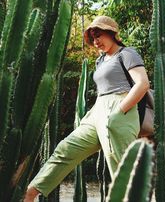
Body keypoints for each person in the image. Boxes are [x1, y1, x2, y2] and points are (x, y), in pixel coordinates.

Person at [24, 15, 150, 201]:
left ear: (112, 33)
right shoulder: (101, 60)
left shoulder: (126, 53)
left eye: (99, 35)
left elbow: (142, 83)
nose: (96, 41)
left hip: (121, 108)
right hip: (98, 111)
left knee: (123, 170)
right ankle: (30, 193)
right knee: (65, 149)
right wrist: (94, 115)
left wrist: (119, 111)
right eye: (92, 38)